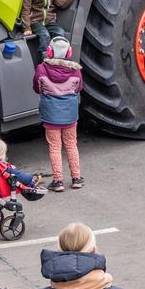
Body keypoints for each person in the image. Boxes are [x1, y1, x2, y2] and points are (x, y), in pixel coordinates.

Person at [35, 38, 85, 193]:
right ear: (69, 52)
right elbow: (79, 88)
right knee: (71, 144)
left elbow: (37, 88)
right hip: (70, 114)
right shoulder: (76, 71)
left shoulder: (42, 69)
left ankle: (58, 181)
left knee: (55, 147)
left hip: (50, 115)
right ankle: (76, 178)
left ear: (49, 52)